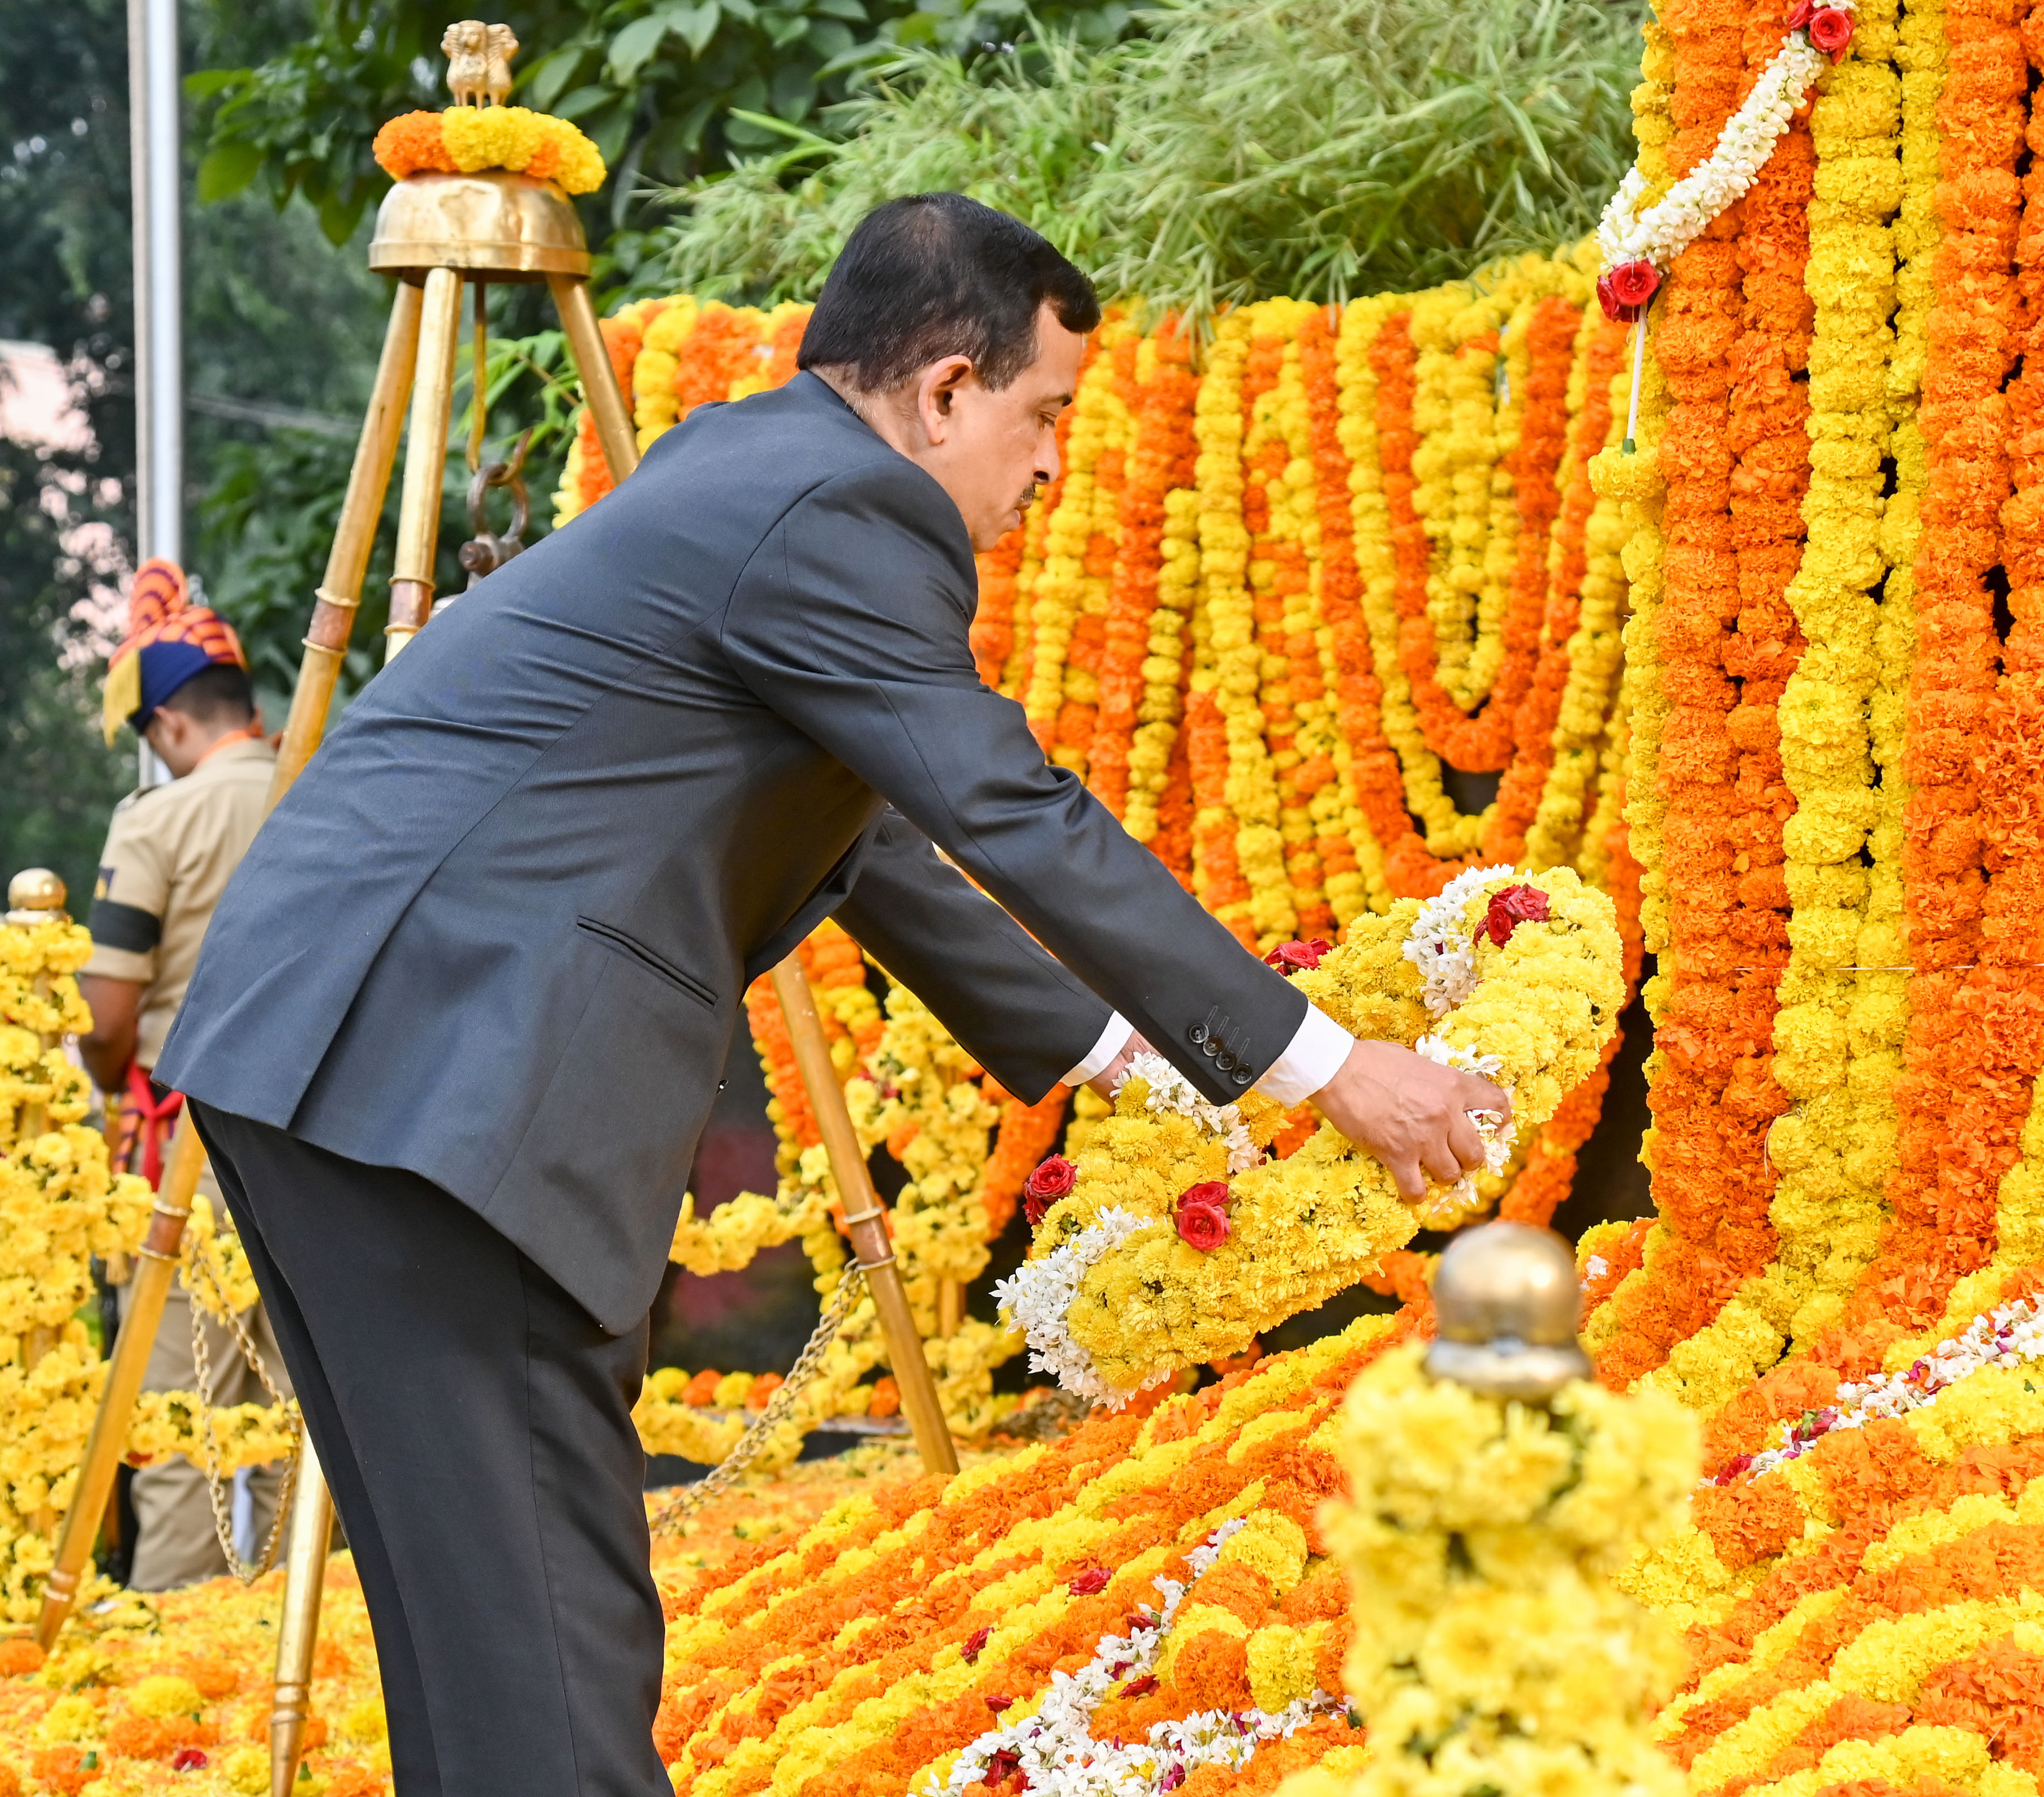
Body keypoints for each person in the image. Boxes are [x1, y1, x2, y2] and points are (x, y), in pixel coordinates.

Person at [161, 194, 1508, 1795]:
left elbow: (861, 842)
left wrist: (1117, 1054)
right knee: (544, 1638)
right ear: (944, 389)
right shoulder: (844, 510)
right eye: (1042, 414)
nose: (1052, 464)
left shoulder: (743, 469)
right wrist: (1326, 1065)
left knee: (484, 1635)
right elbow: (1005, 804)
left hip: (340, 1047)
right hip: (438, 1068)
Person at [79, 560, 289, 1590]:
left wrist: (110, 1074)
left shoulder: (156, 822)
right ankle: (331, 1661)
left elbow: (108, 1017)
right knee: (316, 1424)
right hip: (328, 1139)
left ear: (167, 726)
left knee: (180, 1425)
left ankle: (185, 1700)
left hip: (191, 1157)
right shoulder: (325, 785)